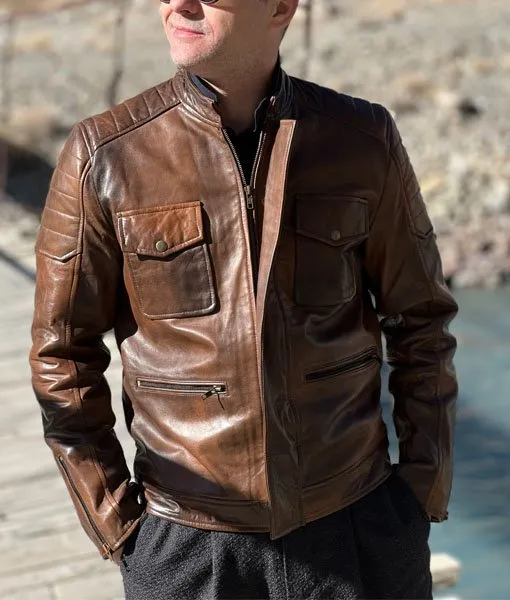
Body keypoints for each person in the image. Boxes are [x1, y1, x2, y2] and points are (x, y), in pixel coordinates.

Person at [29, 0, 458, 598]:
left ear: (280, 6)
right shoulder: (105, 153)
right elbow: (62, 355)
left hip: (358, 527)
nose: (179, 3)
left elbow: (421, 321)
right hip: (188, 546)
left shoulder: (362, 139)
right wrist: (123, 529)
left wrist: (418, 494)